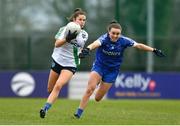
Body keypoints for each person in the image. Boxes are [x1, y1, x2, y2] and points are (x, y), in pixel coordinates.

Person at [74, 20, 165, 119]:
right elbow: (95, 43)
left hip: (112, 71)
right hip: (99, 67)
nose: (115, 35)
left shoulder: (124, 41)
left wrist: (154, 50)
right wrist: (88, 49)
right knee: (90, 89)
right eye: (113, 33)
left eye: (118, 34)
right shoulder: (104, 38)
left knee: (97, 98)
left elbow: (138, 45)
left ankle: (100, 83)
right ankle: (78, 113)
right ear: (109, 32)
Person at [39, 8, 88, 118]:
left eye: (84, 20)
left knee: (58, 86)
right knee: (50, 89)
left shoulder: (84, 34)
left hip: (71, 64)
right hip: (58, 60)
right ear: (74, 20)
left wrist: (82, 54)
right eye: (80, 19)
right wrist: (67, 38)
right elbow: (57, 44)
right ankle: (50, 101)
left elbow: (79, 49)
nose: (82, 22)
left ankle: (45, 109)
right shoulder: (64, 29)